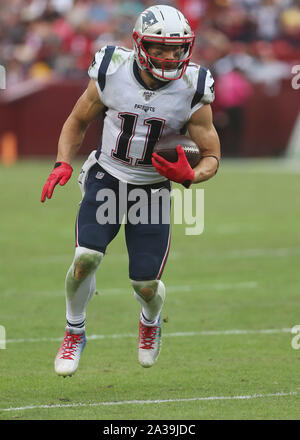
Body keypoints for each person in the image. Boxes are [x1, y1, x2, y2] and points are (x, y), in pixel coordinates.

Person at [41, 4, 221, 377]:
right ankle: (74, 331)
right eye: (161, 48)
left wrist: (189, 176)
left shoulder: (193, 87)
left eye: (178, 48)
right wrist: (62, 161)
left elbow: (212, 156)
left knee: (145, 283)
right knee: (85, 257)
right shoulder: (112, 69)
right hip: (107, 175)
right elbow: (77, 119)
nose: (171, 56)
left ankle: (150, 320)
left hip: (152, 190)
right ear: (140, 45)